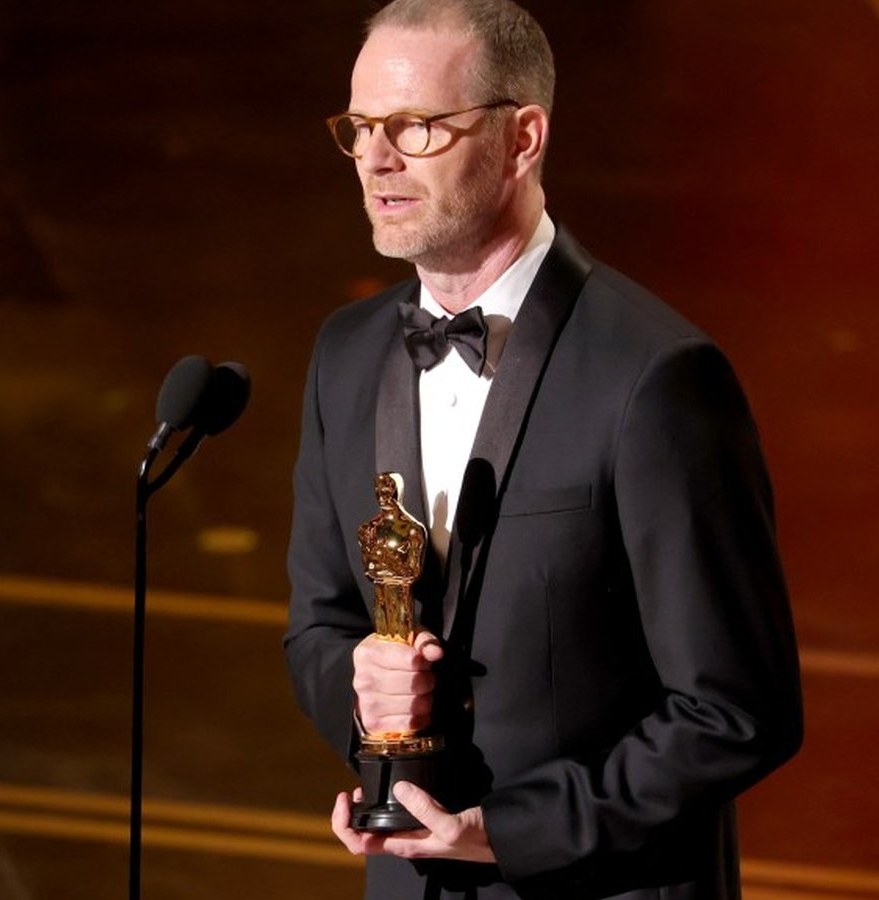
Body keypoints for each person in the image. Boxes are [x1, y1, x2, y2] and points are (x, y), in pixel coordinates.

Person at [283, 2, 804, 897]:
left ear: (522, 138)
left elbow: (735, 711)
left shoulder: (655, 376)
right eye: (362, 128)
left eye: (417, 128)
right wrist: (359, 691)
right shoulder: (348, 352)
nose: (375, 159)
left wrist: (509, 833)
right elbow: (320, 626)